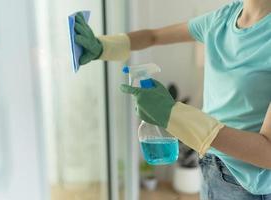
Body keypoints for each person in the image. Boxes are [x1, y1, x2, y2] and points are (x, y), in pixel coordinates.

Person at [74, 0, 271, 199]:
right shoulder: (222, 19)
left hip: (248, 186)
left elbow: (268, 153)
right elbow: (154, 36)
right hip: (210, 164)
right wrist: (103, 46)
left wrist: (173, 113)